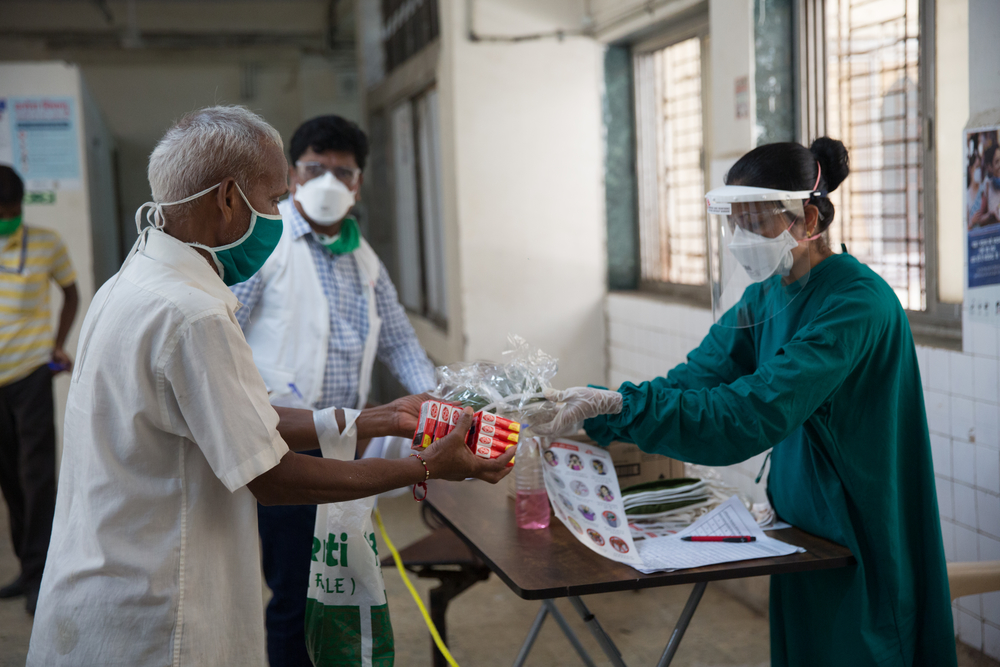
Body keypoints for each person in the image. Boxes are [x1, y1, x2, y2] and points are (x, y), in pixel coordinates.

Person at [25, 106, 511, 666]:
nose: (281, 211)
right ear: (229, 199)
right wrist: (427, 467)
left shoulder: (137, 278)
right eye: (276, 197)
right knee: (293, 599)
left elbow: (234, 412)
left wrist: (376, 418)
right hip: (155, 614)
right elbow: (272, 475)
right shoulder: (195, 313)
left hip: (110, 577)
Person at [537, 138, 957, 666]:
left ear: (808, 218)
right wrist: (596, 412)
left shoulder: (856, 303)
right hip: (799, 527)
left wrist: (622, 410)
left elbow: (751, 414)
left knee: (859, 648)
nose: (741, 239)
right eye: (734, 223)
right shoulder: (765, 294)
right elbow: (698, 378)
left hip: (858, 529)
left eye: (756, 221)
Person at [230, 115, 436, 667]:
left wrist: (444, 403)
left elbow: (400, 341)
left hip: (348, 446)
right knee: (295, 592)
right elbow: (222, 333)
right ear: (292, 175)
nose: (328, 181)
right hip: (285, 443)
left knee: (336, 584)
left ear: (358, 184)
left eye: (341, 172)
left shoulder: (363, 257)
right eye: (315, 167)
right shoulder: (263, 247)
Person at [0, 165, 78, 614]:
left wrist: (55, 345)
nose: (8, 217)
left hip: (31, 374)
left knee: (37, 476)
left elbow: (71, 292)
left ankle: (41, 574)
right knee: (9, 477)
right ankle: (26, 567)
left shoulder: (46, 242)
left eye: (13, 210)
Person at [971, 144, 1000, 228]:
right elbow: (980, 220)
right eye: (997, 162)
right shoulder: (988, 185)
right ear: (990, 167)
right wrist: (990, 215)